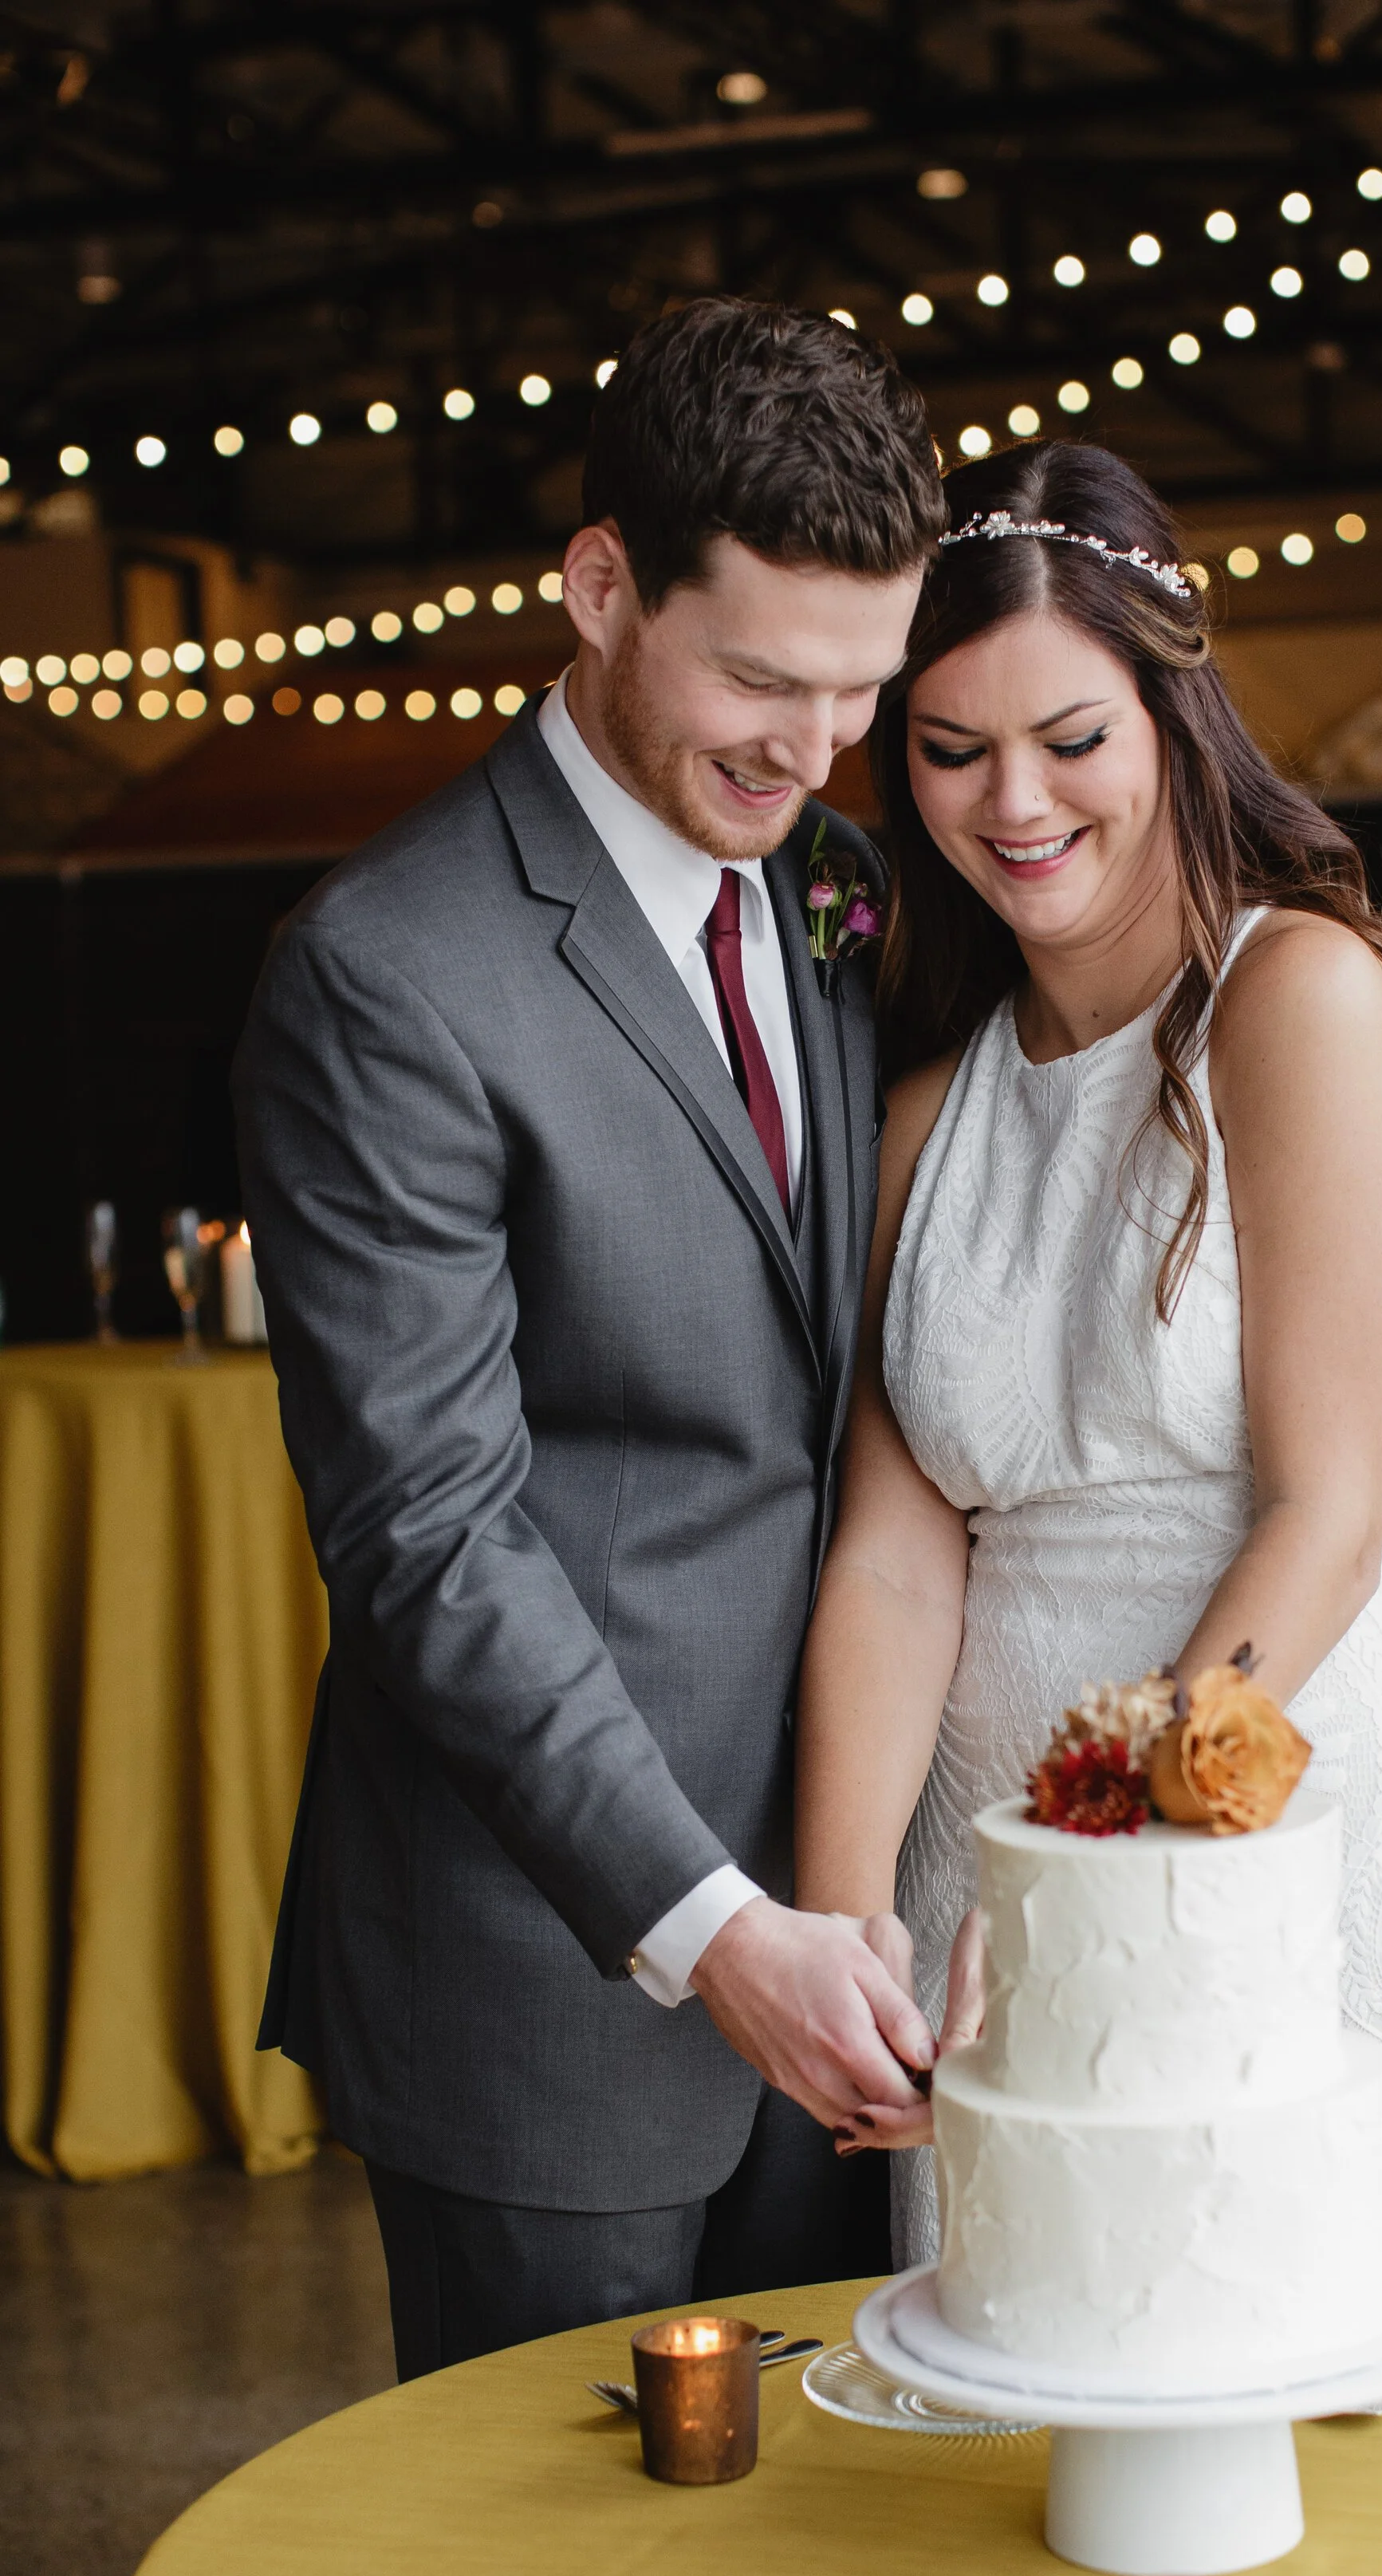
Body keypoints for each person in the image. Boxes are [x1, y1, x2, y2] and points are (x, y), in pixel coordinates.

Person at [235, 299, 943, 2378]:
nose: (810, 748)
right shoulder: (389, 967)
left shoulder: (836, 888)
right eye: (755, 677)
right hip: (551, 1969)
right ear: (602, 584)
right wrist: (715, 1933)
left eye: (856, 690)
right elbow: (429, 1532)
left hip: (858, 1935)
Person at [793, 442, 1382, 2285]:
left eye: (1069, 737)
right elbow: (896, 1562)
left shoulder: (1298, 1005)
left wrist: (1089, 1868)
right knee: (1019, 2429)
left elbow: (1332, 1516)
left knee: (1283, 2394)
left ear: (1171, 716)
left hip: (1254, 1825)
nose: (1012, 800)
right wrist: (842, 1923)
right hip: (992, 1866)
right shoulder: (921, 1120)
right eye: (949, 749)